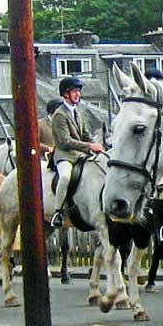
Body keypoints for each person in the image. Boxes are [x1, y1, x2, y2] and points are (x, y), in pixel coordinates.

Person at [49, 76, 105, 228]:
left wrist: (97, 145)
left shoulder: (78, 113)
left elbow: (85, 134)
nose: (78, 94)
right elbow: (64, 141)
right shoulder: (59, 115)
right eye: (74, 91)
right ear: (65, 94)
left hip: (80, 155)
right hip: (65, 155)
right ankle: (58, 211)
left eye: (79, 91)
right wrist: (89, 146)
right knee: (66, 177)